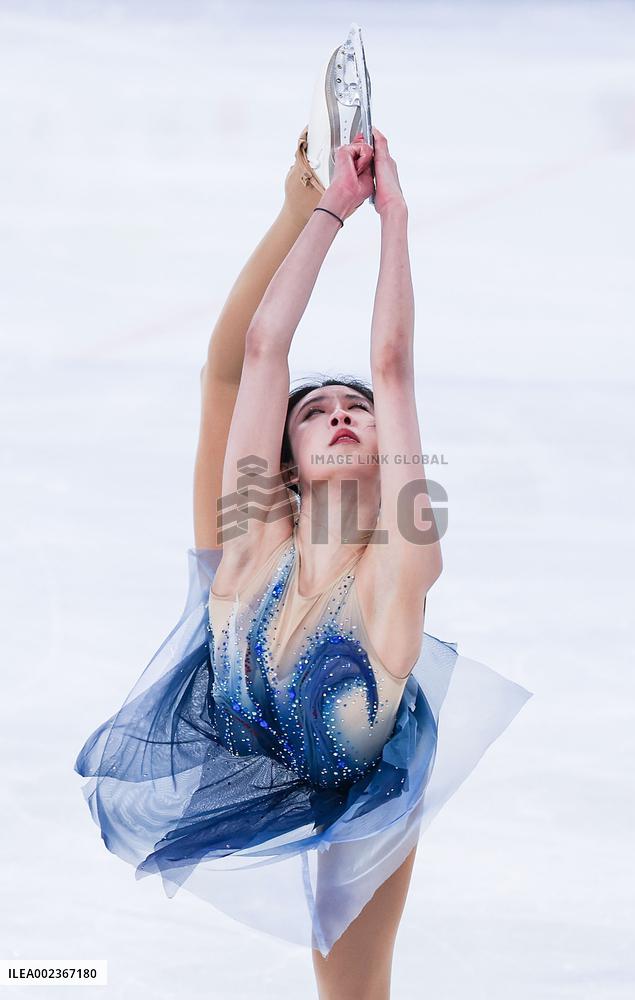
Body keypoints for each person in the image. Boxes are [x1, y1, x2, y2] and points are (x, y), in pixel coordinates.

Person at [75, 29, 533, 1000]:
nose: (337, 410)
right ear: (285, 458)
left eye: (354, 409)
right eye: (315, 411)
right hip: (236, 682)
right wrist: (324, 208)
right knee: (226, 388)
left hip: (361, 773)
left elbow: (395, 367)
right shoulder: (252, 535)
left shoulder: (399, 566)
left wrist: (394, 216)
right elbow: (258, 352)